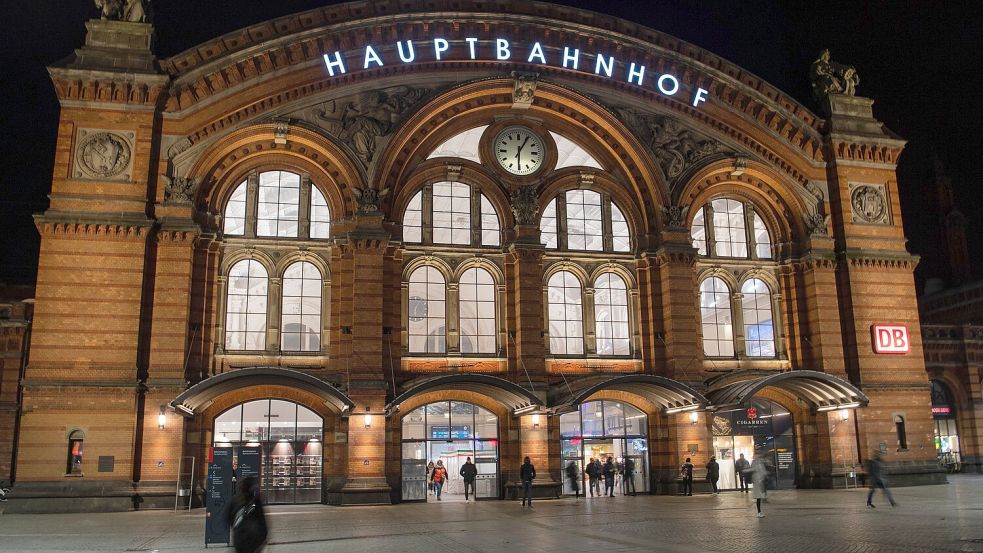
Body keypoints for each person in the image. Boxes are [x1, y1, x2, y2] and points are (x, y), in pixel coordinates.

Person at [225, 475, 268, 553]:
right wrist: (263, 537)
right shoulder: (255, 501)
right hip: (253, 539)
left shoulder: (235, 500)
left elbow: (227, 517)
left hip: (239, 538)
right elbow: (262, 520)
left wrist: (236, 527)